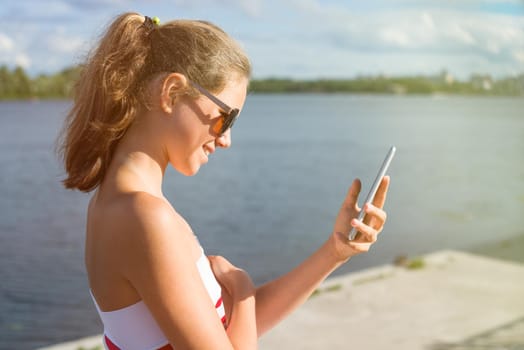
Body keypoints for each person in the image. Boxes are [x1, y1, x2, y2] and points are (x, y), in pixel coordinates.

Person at [58, 12, 390, 350]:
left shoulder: (116, 205)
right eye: (224, 118)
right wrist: (241, 288)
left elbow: (223, 331)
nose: (226, 139)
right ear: (171, 92)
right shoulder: (145, 217)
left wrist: (334, 252)